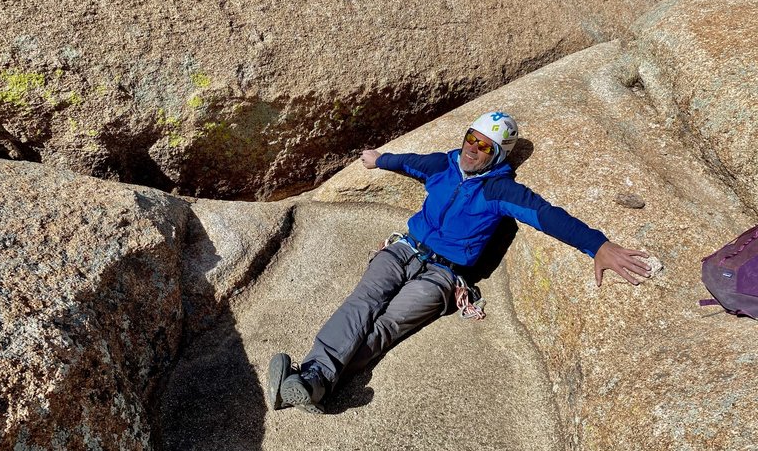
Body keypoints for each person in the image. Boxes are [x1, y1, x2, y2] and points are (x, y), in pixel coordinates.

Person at [267, 111, 651, 414]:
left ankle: (313, 382)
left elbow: (548, 216)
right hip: (404, 249)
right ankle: (314, 379)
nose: (473, 150)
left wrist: (597, 245)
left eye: (485, 147)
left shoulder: (500, 190)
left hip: (442, 276)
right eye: (471, 139)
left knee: (386, 327)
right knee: (363, 301)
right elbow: (411, 162)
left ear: (498, 154)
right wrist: (379, 159)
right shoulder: (444, 165)